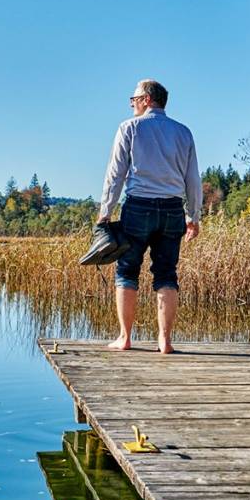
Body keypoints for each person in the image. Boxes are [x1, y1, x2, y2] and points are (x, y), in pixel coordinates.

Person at [96, 79, 201, 354]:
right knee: (166, 273)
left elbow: (115, 174)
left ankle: (125, 337)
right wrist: (193, 216)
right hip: (172, 210)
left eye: (133, 99)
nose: (131, 104)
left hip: (138, 207)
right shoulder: (183, 132)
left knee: (127, 270)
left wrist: (105, 212)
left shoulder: (129, 128)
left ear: (146, 99)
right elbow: (193, 180)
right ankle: (165, 341)